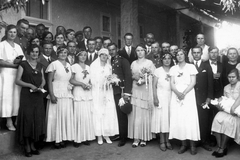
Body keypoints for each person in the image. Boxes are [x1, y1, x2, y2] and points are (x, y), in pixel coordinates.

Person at [15, 44, 45, 157]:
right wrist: (30, 85)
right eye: (32, 51)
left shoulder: (40, 65)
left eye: (37, 52)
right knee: (28, 120)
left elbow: (43, 80)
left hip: (37, 96)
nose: (34, 54)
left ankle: (33, 145)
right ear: (28, 52)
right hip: (27, 95)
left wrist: (41, 86)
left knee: (36, 120)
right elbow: (17, 81)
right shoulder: (23, 64)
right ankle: (27, 146)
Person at [169, 49, 200, 155]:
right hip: (176, 95)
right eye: (177, 55)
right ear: (175, 57)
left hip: (188, 94)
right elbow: (172, 83)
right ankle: (183, 144)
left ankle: (192, 145)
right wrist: (178, 93)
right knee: (180, 118)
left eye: (181, 54)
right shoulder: (173, 68)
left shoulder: (191, 67)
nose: (179, 56)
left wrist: (184, 93)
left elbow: (193, 82)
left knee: (189, 118)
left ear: (185, 55)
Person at [45, 46, 74, 148]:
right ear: (57, 54)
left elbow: (69, 79)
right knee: (56, 115)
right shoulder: (54, 64)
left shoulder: (69, 65)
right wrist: (52, 95)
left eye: (65, 52)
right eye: (61, 52)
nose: (63, 54)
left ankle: (63, 137)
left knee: (64, 115)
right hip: (56, 91)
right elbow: (49, 81)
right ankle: (56, 139)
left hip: (66, 93)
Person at [128, 44, 156, 147]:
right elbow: (130, 75)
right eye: (138, 50)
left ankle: (144, 137)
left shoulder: (149, 63)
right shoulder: (133, 63)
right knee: (136, 114)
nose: (140, 52)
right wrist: (135, 77)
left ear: (145, 51)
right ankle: (136, 138)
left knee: (144, 114)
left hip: (145, 90)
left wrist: (144, 80)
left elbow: (153, 76)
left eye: (142, 50)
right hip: (136, 89)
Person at [90, 48, 119, 145]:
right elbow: (92, 79)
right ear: (99, 56)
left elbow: (111, 77)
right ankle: (99, 135)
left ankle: (106, 134)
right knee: (99, 111)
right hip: (98, 91)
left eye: (105, 55)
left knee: (107, 112)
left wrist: (110, 81)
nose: (104, 56)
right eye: (102, 54)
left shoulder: (109, 67)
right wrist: (101, 82)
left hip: (107, 92)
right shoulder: (94, 66)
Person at [0, 24, 25, 131]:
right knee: (7, 97)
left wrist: (19, 64)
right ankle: (8, 121)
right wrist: (14, 65)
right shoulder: (2, 45)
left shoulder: (18, 46)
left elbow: (22, 61)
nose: (12, 34)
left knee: (16, 96)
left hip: (17, 74)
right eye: (10, 32)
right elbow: (0, 61)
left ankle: (16, 119)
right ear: (6, 33)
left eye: (14, 32)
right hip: (6, 73)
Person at [211, 69, 240, 158]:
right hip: (227, 110)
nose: (231, 79)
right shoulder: (226, 87)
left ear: (237, 77)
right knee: (217, 119)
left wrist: (234, 108)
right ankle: (220, 146)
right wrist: (220, 106)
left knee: (227, 122)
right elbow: (224, 99)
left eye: (233, 77)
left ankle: (222, 148)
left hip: (236, 110)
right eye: (229, 77)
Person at [108, 43, 132, 147]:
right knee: (114, 114)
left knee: (122, 114)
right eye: (110, 50)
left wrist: (127, 93)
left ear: (117, 49)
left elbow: (128, 76)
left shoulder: (123, 60)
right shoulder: (109, 60)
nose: (111, 51)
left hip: (120, 91)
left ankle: (123, 137)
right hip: (111, 91)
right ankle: (117, 134)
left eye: (113, 49)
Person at [70, 50, 95, 147]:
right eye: (81, 55)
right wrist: (81, 84)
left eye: (85, 55)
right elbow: (71, 79)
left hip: (87, 93)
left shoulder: (89, 67)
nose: (83, 57)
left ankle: (85, 137)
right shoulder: (74, 67)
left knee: (86, 115)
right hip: (78, 91)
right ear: (78, 56)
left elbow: (90, 80)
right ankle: (77, 139)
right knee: (78, 114)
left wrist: (89, 85)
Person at [192, 46, 214, 151]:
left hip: (203, 97)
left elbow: (210, 82)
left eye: (198, 53)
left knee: (204, 119)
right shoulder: (189, 65)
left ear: (201, 54)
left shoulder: (207, 65)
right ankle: (195, 141)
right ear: (192, 54)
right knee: (193, 120)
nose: (196, 54)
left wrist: (209, 97)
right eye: (194, 53)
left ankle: (204, 141)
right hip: (191, 98)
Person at [152, 52, 173, 151]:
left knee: (168, 119)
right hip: (160, 97)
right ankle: (162, 141)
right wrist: (155, 98)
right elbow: (154, 85)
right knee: (161, 119)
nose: (167, 60)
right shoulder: (158, 70)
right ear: (162, 60)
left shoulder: (173, 70)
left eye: (169, 58)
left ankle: (168, 140)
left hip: (171, 97)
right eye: (165, 58)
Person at [206, 46, 224, 146]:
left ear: (218, 53)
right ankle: (209, 139)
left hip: (218, 93)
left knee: (218, 116)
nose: (213, 54)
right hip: (208, 94)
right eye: (212, 52)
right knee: (208, 116)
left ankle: (218, 140)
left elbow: (224, 80)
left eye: (215, 52)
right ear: (208, 53)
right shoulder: (204, 64)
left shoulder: (221, 65)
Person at [38, 41, 56, 108]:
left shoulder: (54, 61)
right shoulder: (38, 60)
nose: (48, 50)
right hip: (42, 87)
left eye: (50, 48)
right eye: (46, 48)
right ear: (42, 48)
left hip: (51, 88)